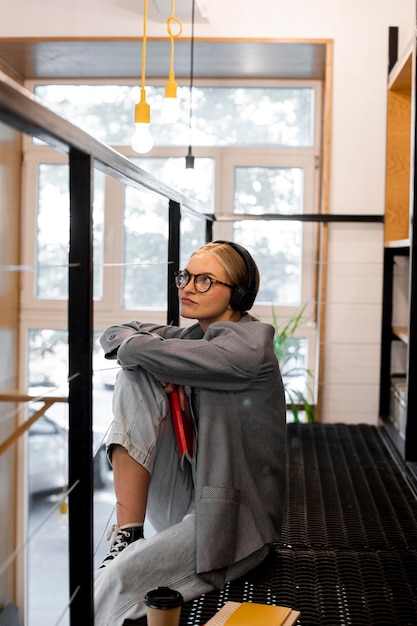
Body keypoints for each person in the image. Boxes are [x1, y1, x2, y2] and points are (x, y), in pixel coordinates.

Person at [94, 240, 286, 625]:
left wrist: (158, 361)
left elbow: (130, 347)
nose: (186, 287)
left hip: (231, 519)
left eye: (204, 280)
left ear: (240, 295)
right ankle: (128, 532)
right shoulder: (195, 340)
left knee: (114, 580)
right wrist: (161, 364)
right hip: (191, 488)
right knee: (137, 376)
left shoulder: (249, 349)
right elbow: (116, 334)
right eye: (185, 276)